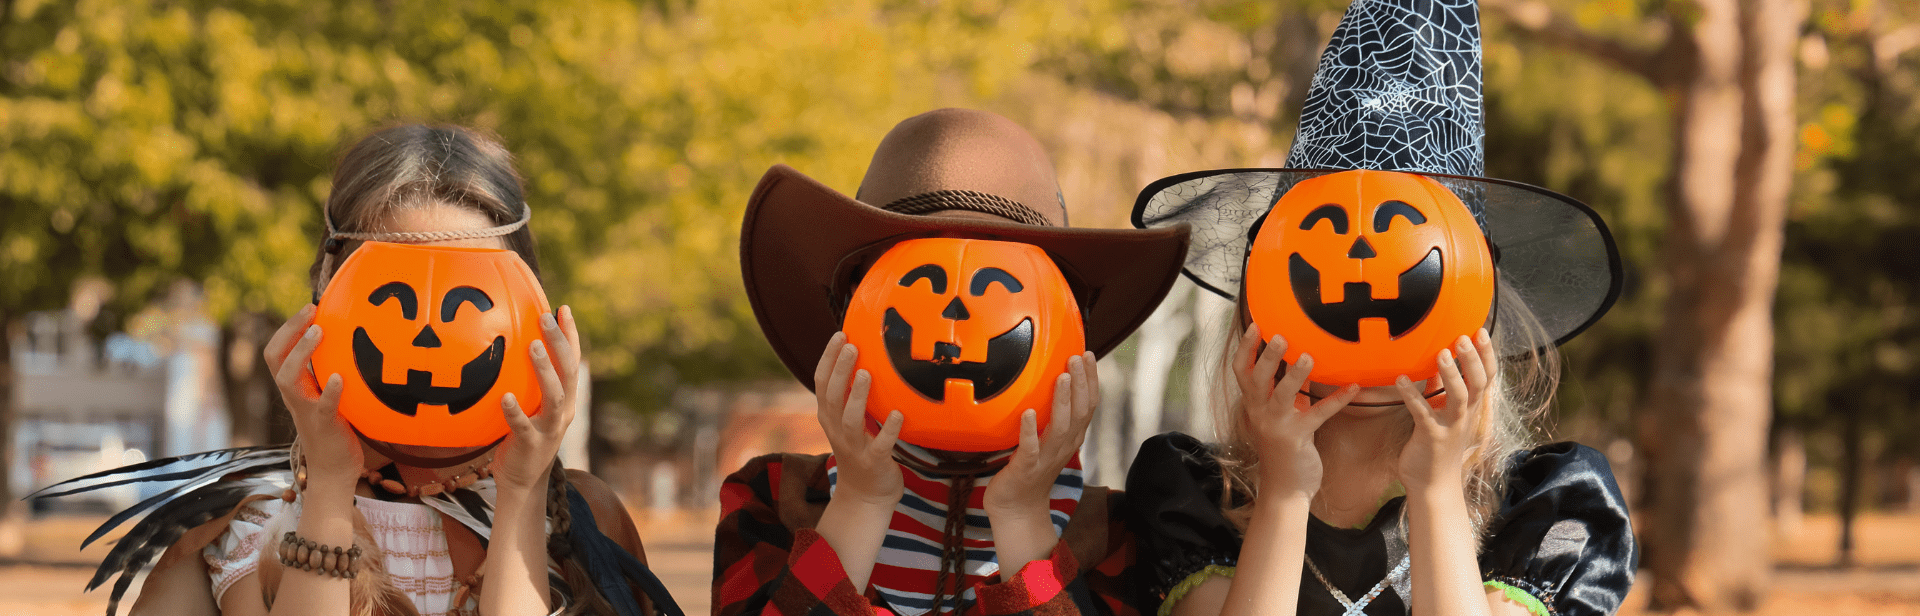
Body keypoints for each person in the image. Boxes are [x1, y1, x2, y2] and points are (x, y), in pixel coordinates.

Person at [35, 124, 679, 616]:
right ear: (327, 301)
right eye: (393, 302)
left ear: (530, 311)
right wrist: (331, 481)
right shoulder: (257, 523)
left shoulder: (581, 522)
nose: (430, 341)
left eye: (469, 306)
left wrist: (521, 491)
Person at [1122, 1, 1636, 615]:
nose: (1363, 266)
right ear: (1263, 292)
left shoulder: (1540, 510)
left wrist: (1438, 490)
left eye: (1403, 244)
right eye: (1326, 240)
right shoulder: (1196, 497)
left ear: (1475, 291)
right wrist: (1285, 492)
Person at [714, 108, 1191, 616]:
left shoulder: (1114, 532)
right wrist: (859, 501)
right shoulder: (773, 501)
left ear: (1070, 330)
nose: (956, 322)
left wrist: (1021, 515)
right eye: (920, 286)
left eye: (999, 292)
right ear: (850, 312)